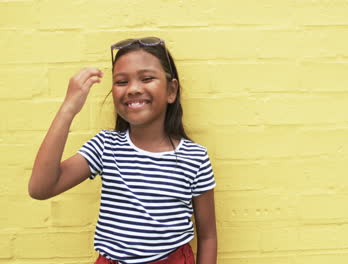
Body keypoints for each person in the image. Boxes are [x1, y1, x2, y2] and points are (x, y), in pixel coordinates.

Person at [28, 37, 217, 264]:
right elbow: (40, 188)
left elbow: (207, 237)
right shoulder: (105, 146)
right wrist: (68, 109)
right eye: (121, 82)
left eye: (146, 78)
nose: (134, 89)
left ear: (171, 90)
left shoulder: (195, 158)